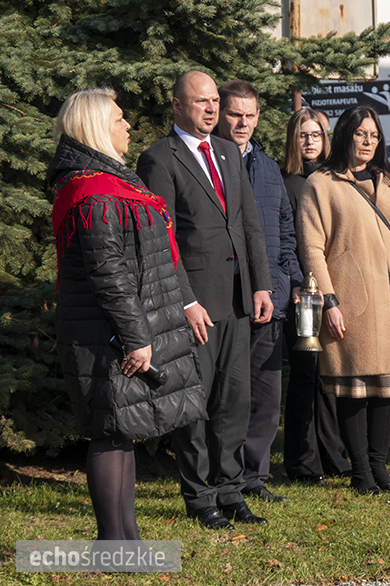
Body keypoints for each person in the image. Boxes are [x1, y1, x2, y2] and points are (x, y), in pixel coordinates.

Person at [50, 88, 206, 540]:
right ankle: (112, 543)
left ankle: (127, 541)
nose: (128, 125)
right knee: (109, 432)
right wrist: (138, 337)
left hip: (116, 328)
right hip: (106, 334)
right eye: (119, 119)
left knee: (121, 430)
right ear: (98, 128)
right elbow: (109, 274)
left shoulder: (113, 183)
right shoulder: (93, 192)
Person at [137, 71, 273, 529]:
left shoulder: (228, 152)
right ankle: (200, 498)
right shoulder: (159, 158)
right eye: (201, 102)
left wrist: (261, 284)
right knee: (195, 406)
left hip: (237, 299)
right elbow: (162, 240)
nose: (212, 109)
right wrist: (185, 301)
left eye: (215, 100)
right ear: (177, 106)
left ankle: (230, 489)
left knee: (234, 401)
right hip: (195, 306)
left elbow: (249, 223)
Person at [297, 105, 390, 495]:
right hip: (351, 301)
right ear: (345, 135)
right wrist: (329, 302)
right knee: (354, 387)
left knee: (388, 388)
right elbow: (312, 248)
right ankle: (360, 472)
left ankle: (379, 468)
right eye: (361, 134)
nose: (369, 141)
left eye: (374, 135)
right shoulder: (321, 184)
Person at [216, 79, 303, 504]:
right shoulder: (207, 162)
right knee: (229, 396)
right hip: (227, 300)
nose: (243, 123)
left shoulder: (268, 167)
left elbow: (285, 231)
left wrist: (291, 281)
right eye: (235, 114)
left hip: (271, 299)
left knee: (267, 399)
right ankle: (225, 478)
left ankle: (255, 477)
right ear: (219, 113)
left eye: (250, 115)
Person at [280, 108, 352, 484]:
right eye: (302, 134)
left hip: (336, 287)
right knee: (305, 375)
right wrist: (298, 282)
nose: (310, 141)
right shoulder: (284, 181)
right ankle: (302, 461)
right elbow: (286, 240)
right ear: (292, 139)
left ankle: (333, 455)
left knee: (332, 372)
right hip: (303, 294)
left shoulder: (335, 179)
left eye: (316, 134)